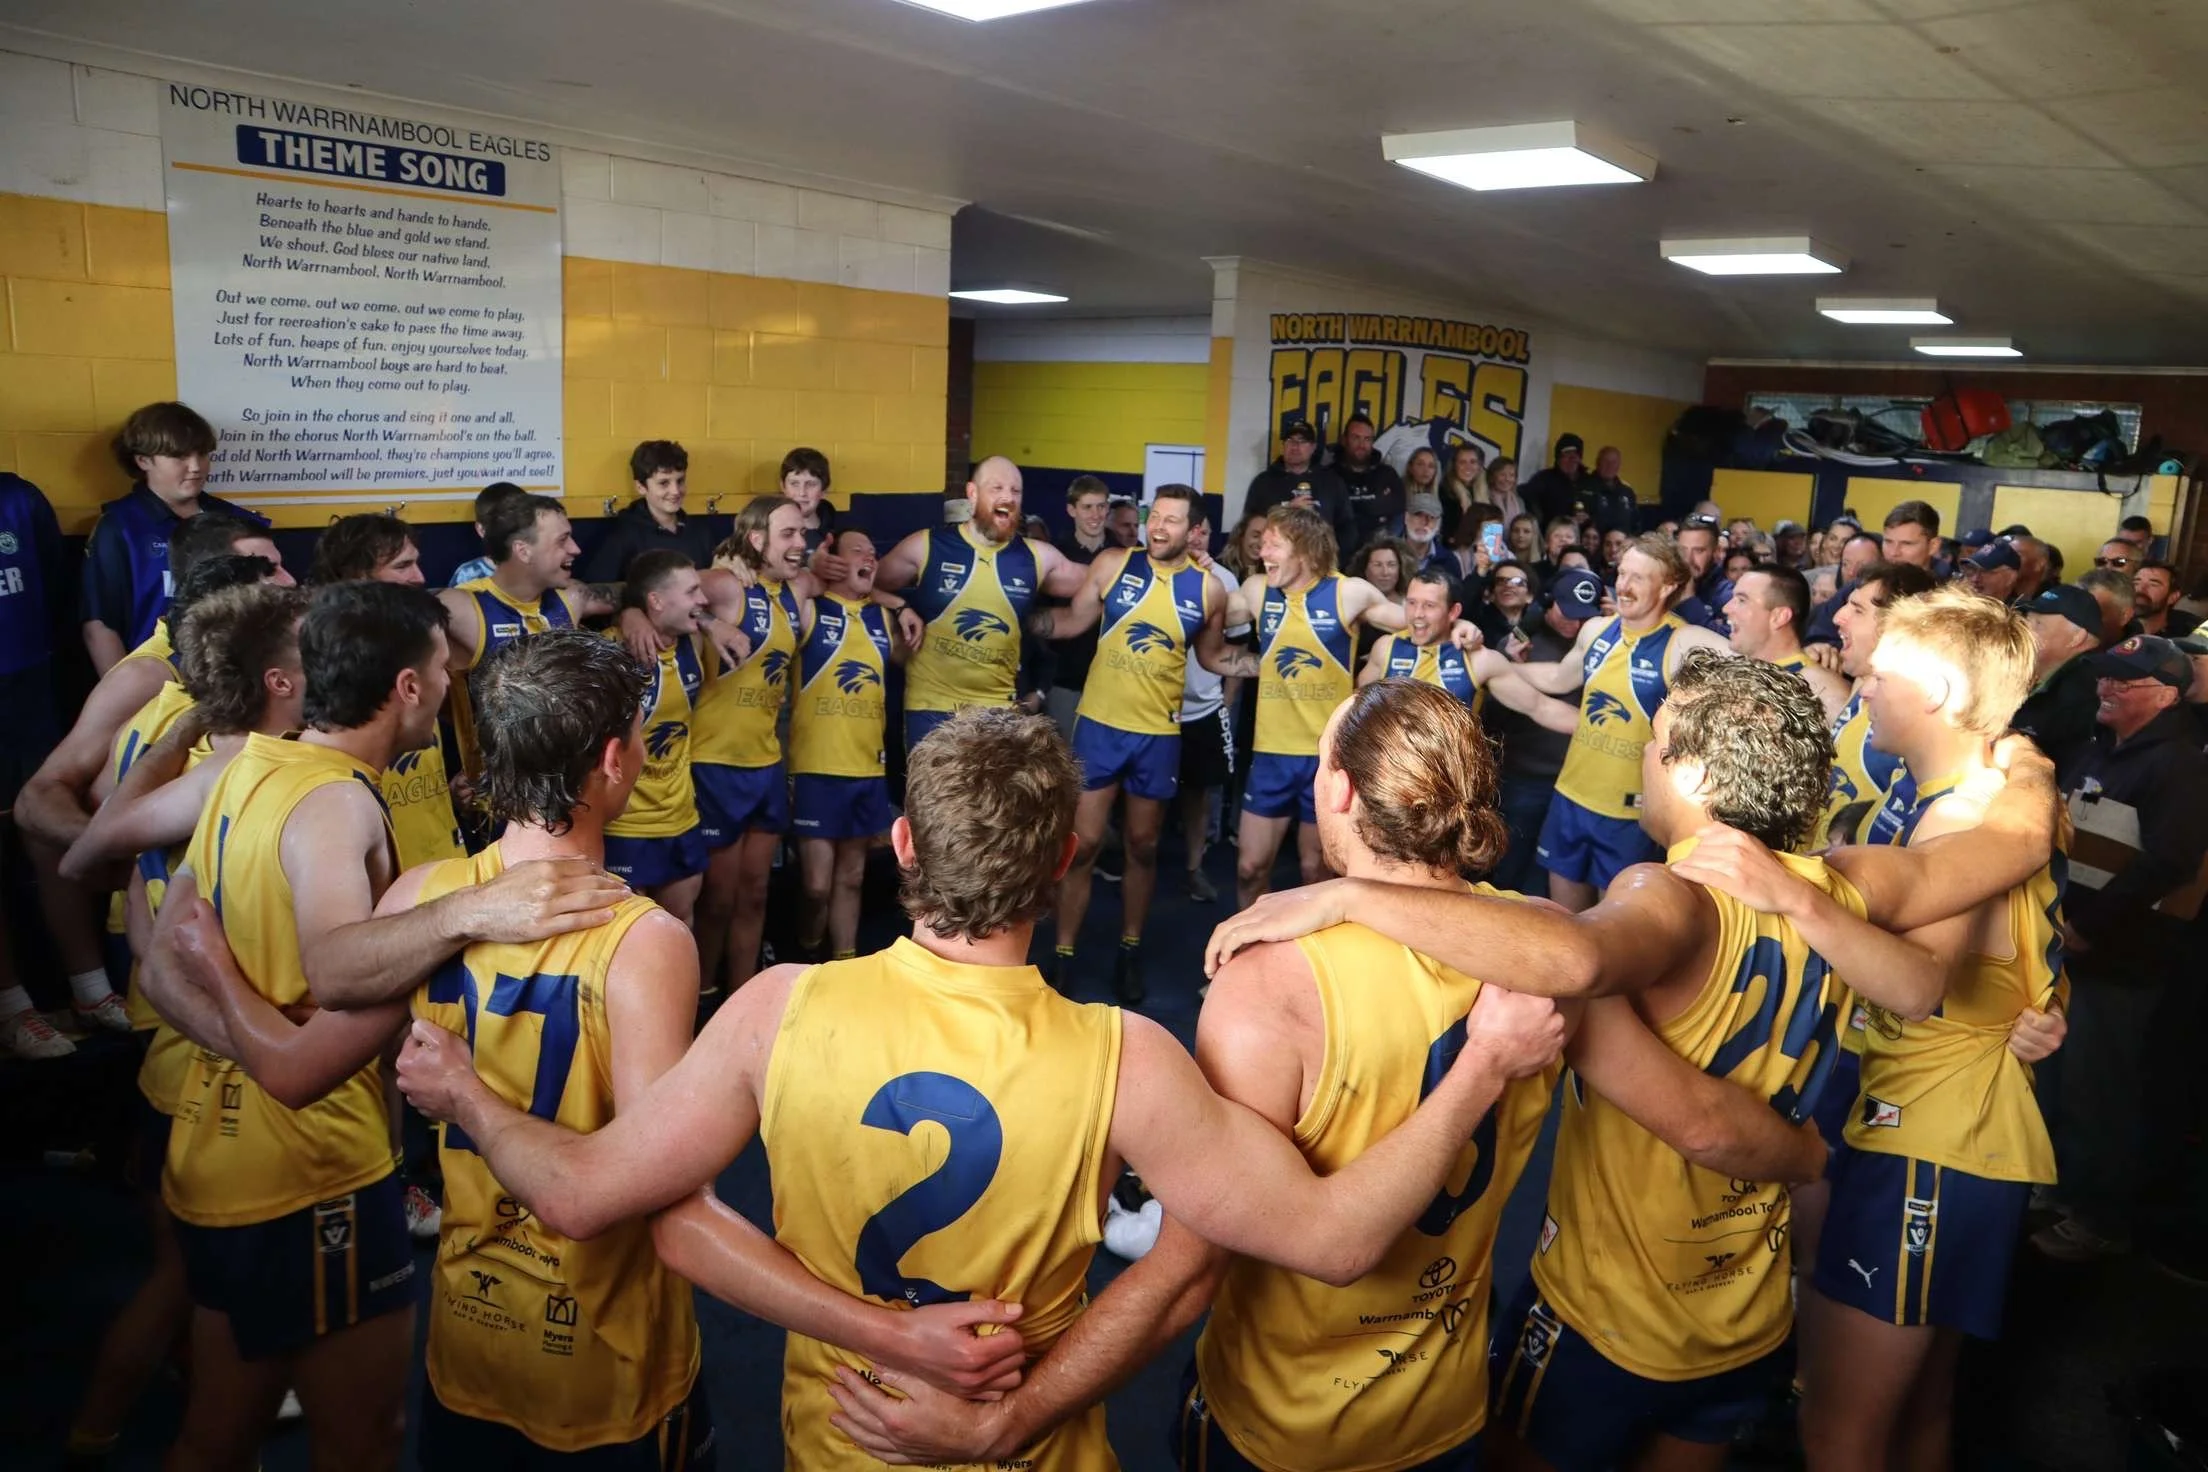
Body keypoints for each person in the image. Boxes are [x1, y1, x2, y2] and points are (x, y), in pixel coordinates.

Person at [393, 705, 1569, 1469]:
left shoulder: (777, 1006)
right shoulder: (1130, 1056)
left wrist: (471, 1100)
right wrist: (1485, 1063)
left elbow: (593, 1193)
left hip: (844, 1438)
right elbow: (1321, 1237)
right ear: (1066, 861)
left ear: (901, 844)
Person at [827, 680, 1827, 1471]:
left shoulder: (1269, 981)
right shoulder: (1543, 951)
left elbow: (1188, 1269)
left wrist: (1016, 1417)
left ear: (1339, 789)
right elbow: (1698, 1116)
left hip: (1283, 1422)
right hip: (1442, 1407)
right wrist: (1812, 1152)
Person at [1206, 652, 2058, 1472]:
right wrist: (2027, 763)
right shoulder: (1847, 882)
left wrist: (1349, 892)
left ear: (1690, 777)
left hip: (1615, 1311)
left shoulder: (1666, 896)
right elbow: (2016, 847)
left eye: (1653, 743)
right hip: (1745, 1307)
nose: (1642, 760)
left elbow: (1578, 964)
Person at [1790, 586, 2066, 1472]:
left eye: (1882, 671)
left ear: (1940, 690)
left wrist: (1791, 899)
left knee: (1839, 1430)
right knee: (1916, 1418)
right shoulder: (1983, 790)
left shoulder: (1962, 815)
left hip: (1933, 1142)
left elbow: (1915, 984)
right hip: (1948, 1132)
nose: (1863, 682)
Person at [56, 578, 313, 1460]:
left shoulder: (199, 766)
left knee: (195, 1284)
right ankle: (106, 1432)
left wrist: (176, 731)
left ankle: (133, 1425)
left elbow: (89, 852)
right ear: (278, 677)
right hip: (220, 1066)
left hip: (188, 1059)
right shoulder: (239, 777)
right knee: (188, 1286)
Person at [1030, 485, 1244, 1002]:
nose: (1158, 527)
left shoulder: (1210, 589)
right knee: (1080, 848)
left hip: (1157, 735)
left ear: (1193, 529)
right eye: (1155, 517)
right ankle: (1062, 953)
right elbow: (1073, 619)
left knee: (1143, 848)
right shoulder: (1111, 563)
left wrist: (1269, 663)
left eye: (1172, 520)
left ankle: (1129, 950)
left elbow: (1215, 657)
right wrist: (1018, 620)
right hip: (1100, 726)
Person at [2035, 636, 2208, 1264]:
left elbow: (2168, 863)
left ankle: (2100, 1217)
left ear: (2164, 695)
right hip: (2073, 943)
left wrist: (2093, 925)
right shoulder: (2100, 747)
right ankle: (2058, 1189)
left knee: (2099, 1089)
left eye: (2122, 682)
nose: (2105, 687)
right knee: (2059, 1076)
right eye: (2105, 676)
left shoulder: (2180, 764)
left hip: (2119, 955)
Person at [1233, 506, 1453, 908]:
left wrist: (1460, 628)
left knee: (1315, 870)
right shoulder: (1256, 589)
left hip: (1328, 756)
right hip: (1271, 754)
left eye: (1273, 543)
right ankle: (1245, 955)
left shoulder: (1347, 592)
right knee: (1249, 867)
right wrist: (1234, 660)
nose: (1261, 550)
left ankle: (1308, 963)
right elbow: (1208, 613)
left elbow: (1413, 621)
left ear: (1305, 549)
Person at [1504, 534, 1732, 911]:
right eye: (1622, 574)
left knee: (1615, 932)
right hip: (1571, 798)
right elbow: (1560, 679)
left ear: (1669, 585)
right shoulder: (1597, 630)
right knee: (1568, 923)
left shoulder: (1682, 642)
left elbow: (1756, 665)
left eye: (1638, 578)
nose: (1623, 586)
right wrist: (1501, 664)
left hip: (1630, 816)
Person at [873, 455, 1089, 750]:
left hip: (997, 711)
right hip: (932, 707)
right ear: (972, 494)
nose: (1008, 497)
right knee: (933, 797)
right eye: (997, 488)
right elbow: (864, 585)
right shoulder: (927, 546)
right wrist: (899, 607)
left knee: (992, 798)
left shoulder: (1038, 557)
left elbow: (1099, 585)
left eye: (1015, 491)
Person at [438, 492, 621, 781]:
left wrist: (633, 615)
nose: (575, 549)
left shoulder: (571, 597)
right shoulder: (461, 608)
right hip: (499, 792)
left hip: (566, 781)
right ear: (523, 551)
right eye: (562, 540)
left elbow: (637, 595)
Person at [788, 528, 907, 962]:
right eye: (858, 551)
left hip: (866, 769)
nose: (869, 557)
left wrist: (899, 603)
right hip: (817, 767)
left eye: (874, 553)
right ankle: (805, 951)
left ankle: (844, 964)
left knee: (852, 878)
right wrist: (809, 570)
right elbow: (785, 588)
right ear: (833, 560)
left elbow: (915, 647)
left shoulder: (882, 619)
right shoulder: (810, 611)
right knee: (816, 885)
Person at [79, 401, 267, 673]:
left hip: (234, 676)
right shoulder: (120, 527)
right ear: (143, 460)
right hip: (159, 680)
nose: (195, 466)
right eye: (179, 456)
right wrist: (126, 698)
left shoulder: (236, 521)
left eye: (202, 454)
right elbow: (100, 626)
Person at [600, 551, 712, 923]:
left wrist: (713, 623)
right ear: (656, 601)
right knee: (630, 936)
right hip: (626, 825)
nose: (703, 599)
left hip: (681, 817)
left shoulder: (692, 646)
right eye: (692, 590)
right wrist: (627, 613)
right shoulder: (608, 651)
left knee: (681, 928)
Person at [1486, 568, 1604, 896]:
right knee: (1509, 870)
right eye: (1568, 612)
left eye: (1585, 615)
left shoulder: (1601, 647)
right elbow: (1492, 715)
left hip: (1574, 781)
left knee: (1552, 879)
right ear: (1549, 603)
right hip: (1523, 778)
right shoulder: (1519, 642)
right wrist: (1507, 663)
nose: (1575, 623)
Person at [1817, 561, 1941, 849]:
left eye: (1858, 610)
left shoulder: (1912, 717)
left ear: (1897, 627)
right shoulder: (1862, 681)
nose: (1838, 617)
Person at [1177, 515, 1245, 905]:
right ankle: (1136, 863)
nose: (1196, 537)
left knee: (1199, 794)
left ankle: (1193, 867)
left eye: (1202, 529)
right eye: (1190, 529)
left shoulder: (1223, 580)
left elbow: (1235, 645)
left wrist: (1227, 700)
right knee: (1143, 798)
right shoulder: (1157, 571)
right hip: (1155, 707)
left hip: (1203, 705)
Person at [580, 440, 717, 584]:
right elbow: (597, 588)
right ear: (641, 487)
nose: (675, 491)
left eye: (680, 481)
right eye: (664, 483)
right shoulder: (623, 534)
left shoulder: (700, 531)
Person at [2010, 583, 2108, 784]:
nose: (2024, 629)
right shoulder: (2026, 672)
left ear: (2076, 638)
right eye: (2026, 620)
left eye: (2038, 624)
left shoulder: (2088, 692)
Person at [1725, 564, 1851, 719]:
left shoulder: (1821, 691)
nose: (1726, 608)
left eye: (1742, 600)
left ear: (1779, 617)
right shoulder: (1738, 674)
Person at [1042, 474, 1114, 738]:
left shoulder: (1127, 553)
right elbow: (1041, 617)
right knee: (1064, 764)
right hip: (1065, 681)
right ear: (1071, 509)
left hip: (1113, 683)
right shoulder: (1055, 556)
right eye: (1087, 507)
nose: (1095, 514)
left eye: (1101, 506)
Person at [1334, 413, 1405, 549]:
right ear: (1344, 440)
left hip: (1379, 554)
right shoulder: (1330, 476)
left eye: (1367, 439)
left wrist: (1386, 547)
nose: (1362, 444)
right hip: (1339, 556)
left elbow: (1399, 516)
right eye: (1356, 438)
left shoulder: (1387, 474)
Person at [445, 482, 527, 589]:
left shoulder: (539, 569)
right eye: (501, 526)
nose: (513, 533)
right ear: (481, 530)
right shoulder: (467, 575)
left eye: (520, 524)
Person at [1347, 535, 1412, 668]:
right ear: (1365, 569)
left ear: (1400, 569)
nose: (1385, 572)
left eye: (1391, 565)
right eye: (1377, 565)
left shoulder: (1412, 603)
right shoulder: (1354, 606)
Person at [780, 445, 838, 553]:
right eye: (794, 483)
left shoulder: (838, 533)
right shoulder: (771, 533)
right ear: (783, 487)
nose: (802, 493)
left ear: (824, 490)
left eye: (811, 484)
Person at [1523, 433, 1587, 527]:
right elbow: (1524, 495)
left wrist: (1589, 518)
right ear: (1558, 458)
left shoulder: (1589, 481)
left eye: (1575, 455)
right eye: (1567, 454)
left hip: (1582, 539)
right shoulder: (1543, 479)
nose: (1572, 459)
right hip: (1551, 537)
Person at [1577, 446, 1637, 534]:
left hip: (1622, 545)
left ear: (1619, 465)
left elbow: (1635, 523)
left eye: (1614, 462)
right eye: (1606, 461)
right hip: (1592, 544)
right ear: (1597, 463)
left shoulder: (1627, 492)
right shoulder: (1582, 487)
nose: (1610, 465)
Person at [2131, 560, 2198, 639]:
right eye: (2136, 583)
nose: (2140, 589)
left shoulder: (2186, 636)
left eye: (2153, 584)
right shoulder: (2116, 631)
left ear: (2173, 597)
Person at [1439, 444, 1487, 545]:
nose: (1468, 467)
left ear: (1480, 465)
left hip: (1483, 550)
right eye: (1462, 462)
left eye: (1473, 462)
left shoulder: (1487, 492)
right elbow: (1447, 535)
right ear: (1454, 465)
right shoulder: (1444, 493)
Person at [2079, 565, 2138, 646]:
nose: (2079, 620)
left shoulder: (2145, 656)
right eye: (2075, 608)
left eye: (2093, 613)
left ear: (2124, 616)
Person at [1961, 536, 2023, 603]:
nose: (1975, 579)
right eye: (1973, 570)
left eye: (1985, 571)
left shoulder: (2020, 612)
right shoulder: (1960, 605)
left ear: (2011, 577)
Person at [1485, 454, 1528, 529]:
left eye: (1511, 475)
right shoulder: (1483, 499)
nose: (1507, 479)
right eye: (1502, 474)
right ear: (1492, 476)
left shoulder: (1519, 502)